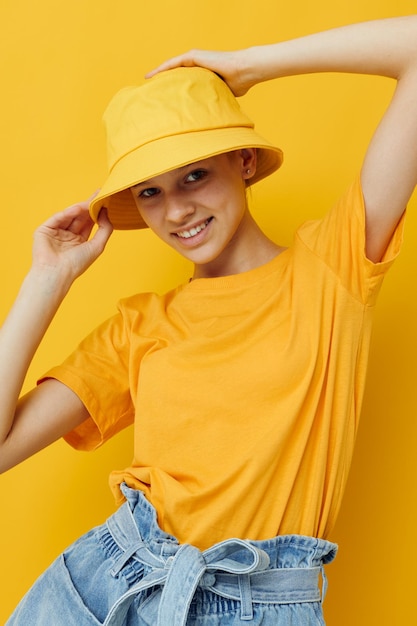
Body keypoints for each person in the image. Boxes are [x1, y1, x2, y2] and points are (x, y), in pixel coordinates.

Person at [2, 14, 417, 626]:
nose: (177, 210)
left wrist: (251, 67)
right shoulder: (141, 327)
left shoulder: (332, 270)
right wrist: (48, 280)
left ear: (244, 162)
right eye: (151, 192)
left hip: (266, 600)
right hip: (110, 587)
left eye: (195, 174)